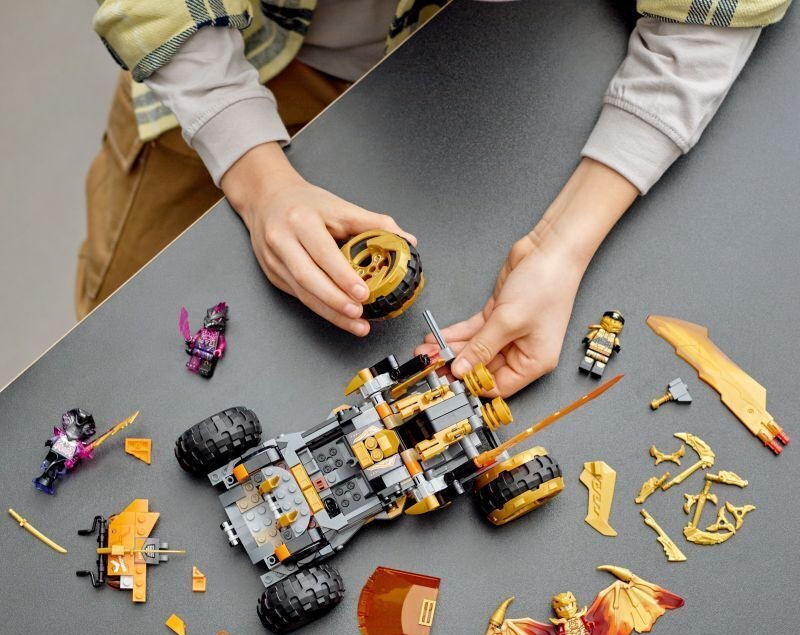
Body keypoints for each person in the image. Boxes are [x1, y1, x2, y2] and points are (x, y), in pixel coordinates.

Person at [81, 0, 792, 396]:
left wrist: (560, 248)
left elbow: (713, 12)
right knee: (120, 358)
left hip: (479, 78)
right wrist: (252, 171)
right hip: (238, 58)